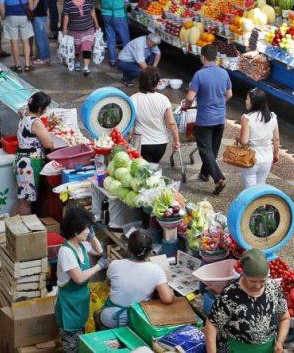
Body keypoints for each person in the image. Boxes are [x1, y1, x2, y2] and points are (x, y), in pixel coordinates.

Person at [206, 248, 289, 353]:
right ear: (244, 275)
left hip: (268, 349)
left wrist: (280, 342)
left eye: (263, 281)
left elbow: (284, 318)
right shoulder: (230, 295)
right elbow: (212, 325)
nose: (258, 286)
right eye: (253, 281)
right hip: (236, 349)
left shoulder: (274, 289)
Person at [183, 45, 232, 195]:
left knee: (205, 149)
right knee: (213, 150)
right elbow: (229, 94)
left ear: (203, 57)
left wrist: (186, 106)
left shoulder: (199, 75)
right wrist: (218, 104)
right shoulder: (224, 73)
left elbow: (190, 97)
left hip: (205, 119)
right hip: (220, 118)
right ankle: (205, 173)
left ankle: (218, 178)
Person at [99, 229, 174, 328]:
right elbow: (167, 299)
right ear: (150, 250)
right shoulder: (156, 270)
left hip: (110, 317)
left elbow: (109, 283)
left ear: (128, 247)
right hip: (137, 319)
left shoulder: (115, 264)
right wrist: (171, 292)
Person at [56, 205, 106, 352]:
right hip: (69, 305)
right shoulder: (66, 252)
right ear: (75, 230)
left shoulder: (82, 245)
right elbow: (78, 278)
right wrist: (100, 266)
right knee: (71, 345)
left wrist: (92, 235)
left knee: (80, 341)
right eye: (85, 228)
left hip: (80, 302)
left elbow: (99, 250)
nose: (87, 231)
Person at [13, 92, 54, 216]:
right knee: (26, 203)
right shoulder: (35, 122)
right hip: (28, 165)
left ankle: (12, 228)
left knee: (22, 200)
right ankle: (22, 231)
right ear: (41, 109)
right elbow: (48, 144)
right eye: (45, 107)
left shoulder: (24, 114)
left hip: (21, 161)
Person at [129, 68, 181, 164]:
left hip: (142, 143)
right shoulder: (163, 99)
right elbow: (171, 124)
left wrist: (128, 140)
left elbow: (130, 126)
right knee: (153, 167)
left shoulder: (132, 99)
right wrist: (176, 141)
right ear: (157, 83)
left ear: (140, 82)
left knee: (143, 172)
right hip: (160, 144)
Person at [238, 88, 280, 188]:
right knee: (260, 188)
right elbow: (276, 139)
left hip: (251, 158)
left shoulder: (247, 118)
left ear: (253, 102)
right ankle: (261, 204)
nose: (246, 101)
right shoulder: (272, 117)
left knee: (250, 192)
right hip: (267, 158)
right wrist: (276, 154)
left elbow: (244, 141)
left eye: (247, 99)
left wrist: (238, 138)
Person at [0, 0, 35, 72]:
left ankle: (18, 66)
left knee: (14, 42)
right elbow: (31, 6)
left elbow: (1, 8)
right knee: (25, 40)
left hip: (11, 17)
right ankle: (27, 65)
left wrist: (4, 16)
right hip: (24, 17)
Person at [61, 0, 99, 75]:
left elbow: (92, 12)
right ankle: (77, 61)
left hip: (88, 28)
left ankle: (86, 67)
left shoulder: (89, 0)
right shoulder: (68, 2)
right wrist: (64, 28)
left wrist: (96, 24)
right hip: (74, 30)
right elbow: (66, 16)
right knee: (76, 48)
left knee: (87, 47)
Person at [97, 0, 131, 67]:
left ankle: (112, 60)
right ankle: (126, 59)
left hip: (106, 14)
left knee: (110, 37)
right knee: (125, 37)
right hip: (119, 14)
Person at [30, 0, 52, 65]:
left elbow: (33, 6)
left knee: (40, 37)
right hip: (42, 15)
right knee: (43, 37)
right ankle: (45, 56)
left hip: (38, 16)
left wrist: (28, 4)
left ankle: (43, 57)